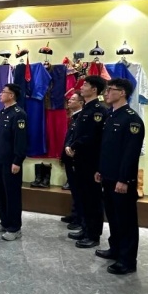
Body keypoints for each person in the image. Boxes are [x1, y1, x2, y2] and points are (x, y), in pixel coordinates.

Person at [95, 78, 145, 275]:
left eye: (111, 90)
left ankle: (127, 260)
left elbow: (130, 153)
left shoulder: (131, 119)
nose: (106, 93)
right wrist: (100, 169)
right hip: (108, 175)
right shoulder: (111, 115)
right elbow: (106, 148)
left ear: (122, 93)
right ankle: (115, 248)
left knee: (126, 220)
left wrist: (124, 179)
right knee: (114, 217)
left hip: (121, 179)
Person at [66, 76, 107, 249]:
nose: (82, 87)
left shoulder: (98, 110)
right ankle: (85, 228)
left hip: (91, 161)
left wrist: (74, 146)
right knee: (83, 197)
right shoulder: (85, 109)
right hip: (80, 160)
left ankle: (93, 234)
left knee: (93, 199)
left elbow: (92, 136)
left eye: (85, 85)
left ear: (94, 90)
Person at [0, 83, 28, 241]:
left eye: (4, 92)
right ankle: (4, 222)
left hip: (11, 162)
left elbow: (20, 141)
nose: (0, 94)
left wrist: (17, 161)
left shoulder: (18, 114)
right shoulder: (3, 112)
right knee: (2, 193)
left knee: (12, 195)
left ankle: (14, 228)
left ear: (11, 95)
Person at [60, 92, 85, 230]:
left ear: (81, 103)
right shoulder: (74, 117)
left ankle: (79, 218)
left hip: (76, 158)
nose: (69, 101)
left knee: (79, 189)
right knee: (74, 189)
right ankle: (75, 214)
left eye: (73, 99)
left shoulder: (81, 117)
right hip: (69, 157)